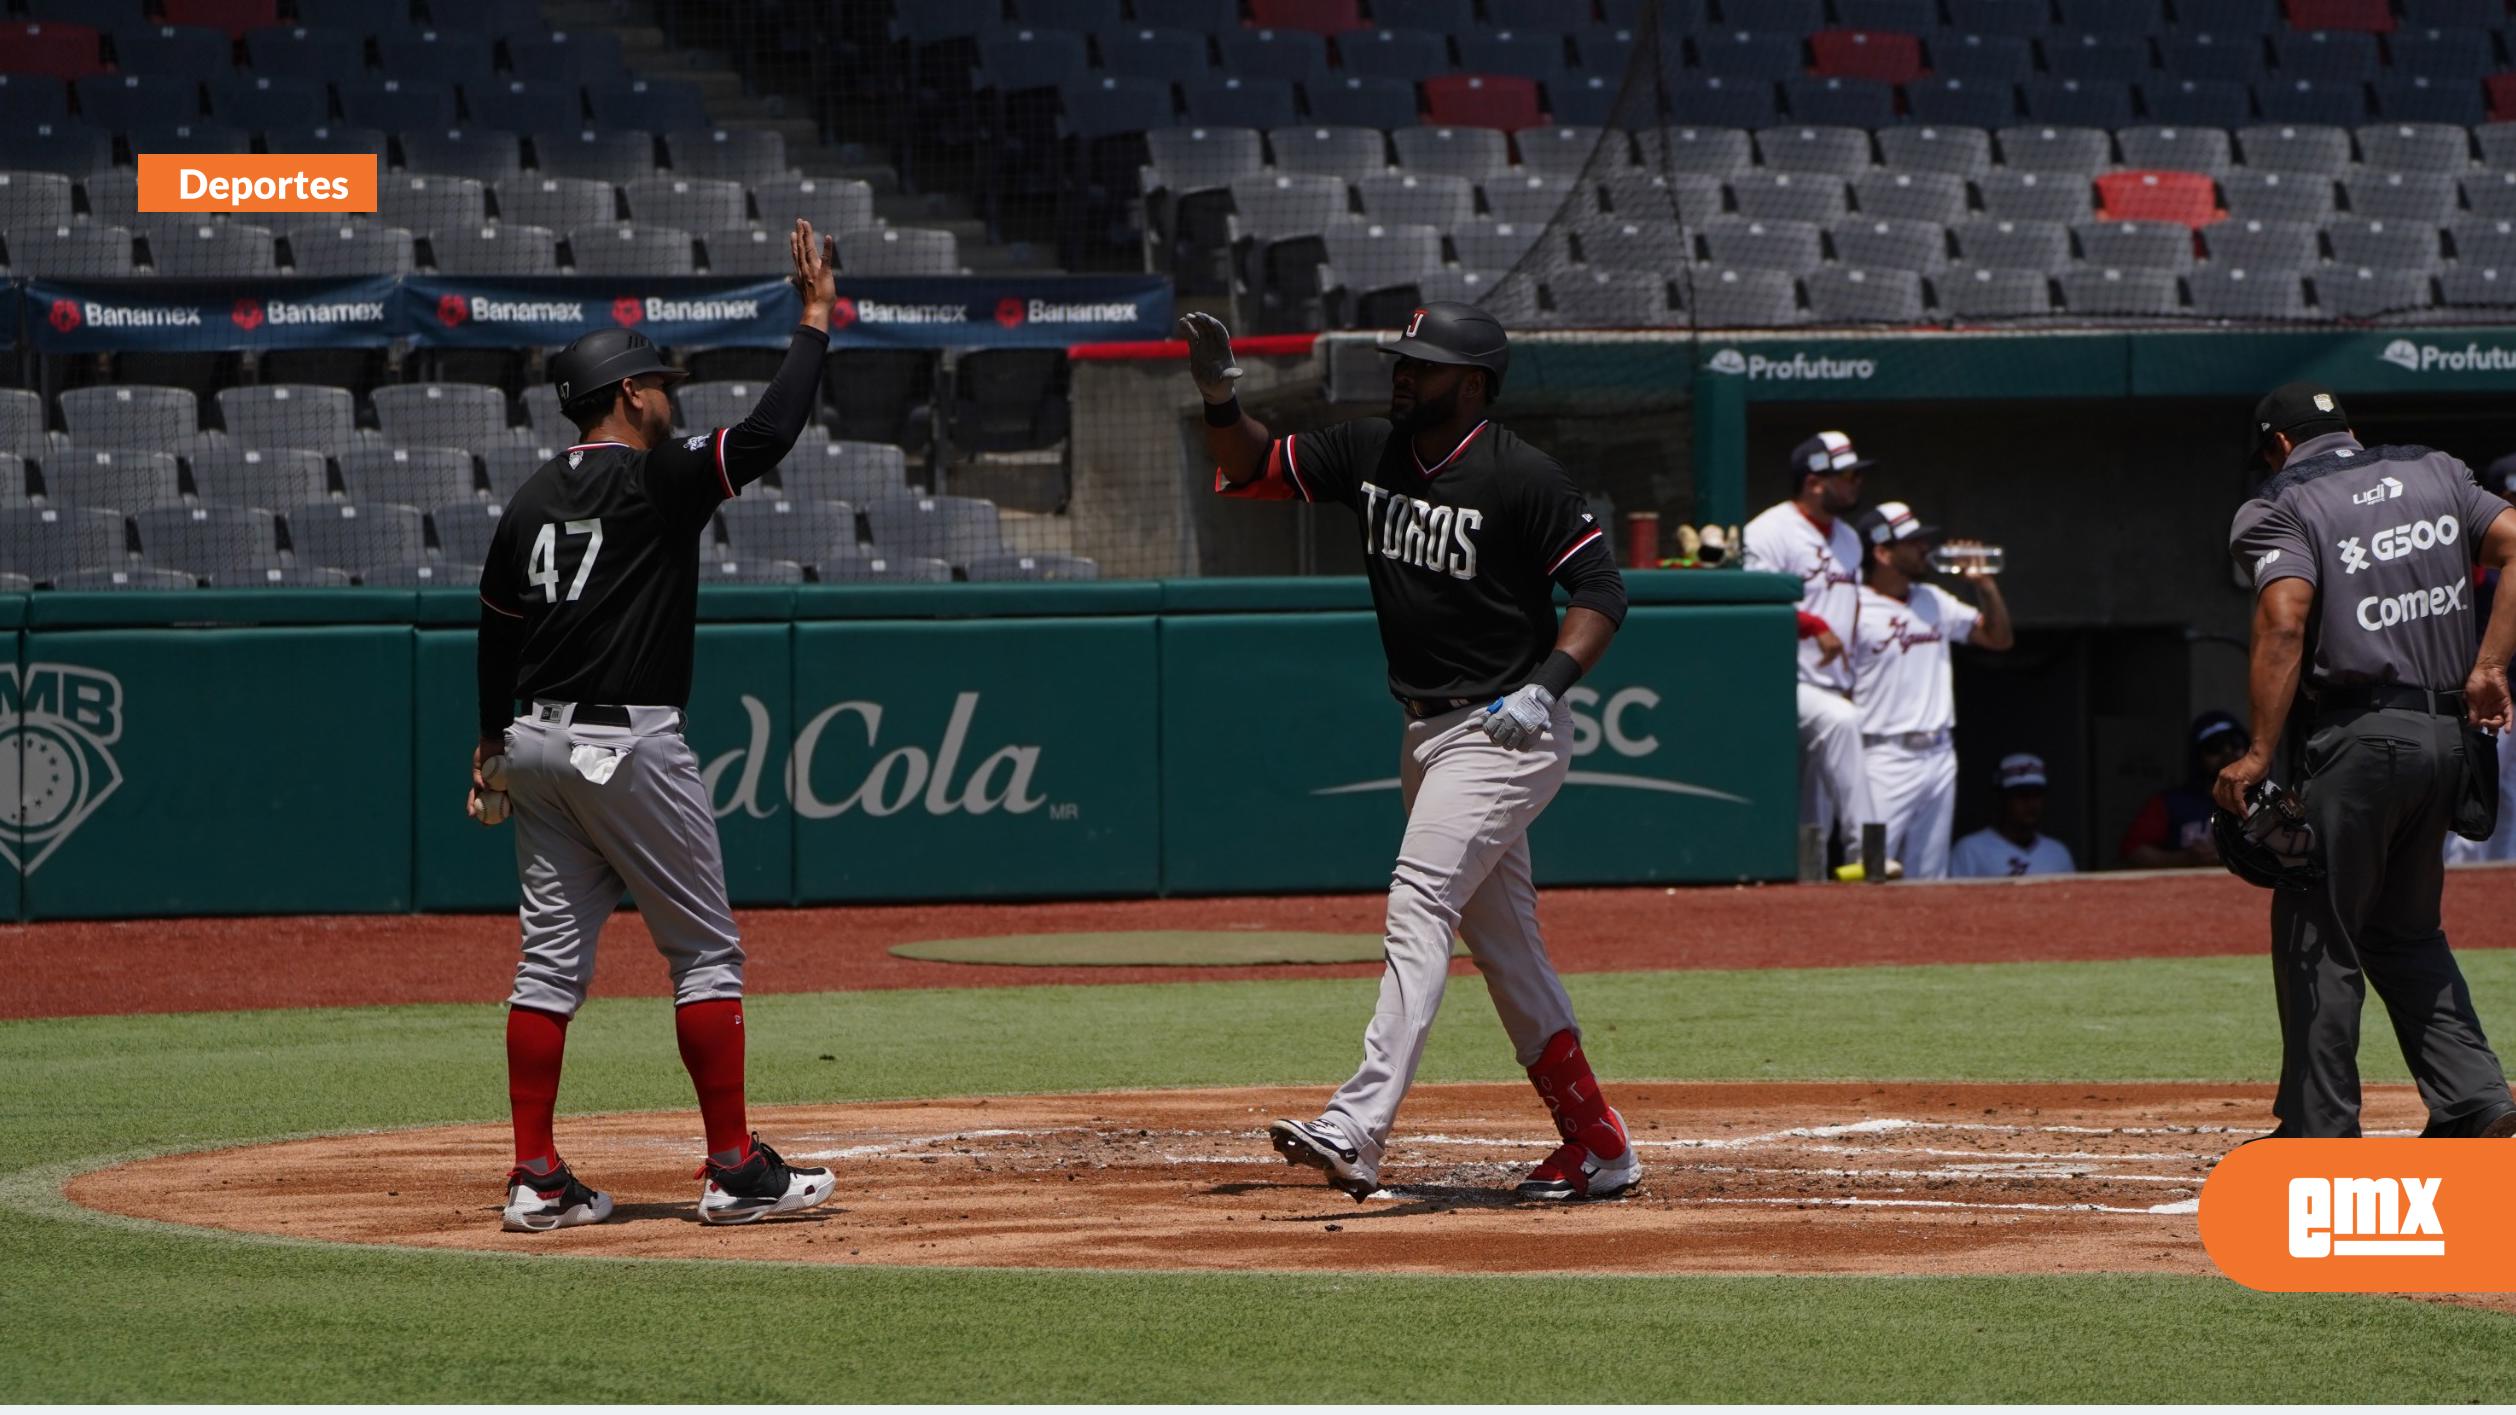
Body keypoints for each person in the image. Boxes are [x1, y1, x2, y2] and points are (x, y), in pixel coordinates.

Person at [1178, 302, 1642, 1202]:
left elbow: (1601, 588)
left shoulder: (1522, 475)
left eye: (1421, 365)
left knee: (1419, 897)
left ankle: (1357, 1125)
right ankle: (1598, 1143)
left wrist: (1546, 684)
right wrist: (1218, 395)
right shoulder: (1370, 450)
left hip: (1506, 726)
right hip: (1426, 732)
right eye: (1400, 359)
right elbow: (1253, 469)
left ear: (1471, 384)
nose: (1402, 372)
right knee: (1507, 950)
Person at [473, 219, 844, 1230]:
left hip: (536, 741)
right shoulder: (655, 475)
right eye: (659, 383)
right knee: (706, 953)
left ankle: (535, 1177)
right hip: (624, 740)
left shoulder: (530, 495)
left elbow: (495, 625)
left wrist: (487, 738)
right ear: (629, 394)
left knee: (547, 965)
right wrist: (813, 319)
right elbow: (767, 436)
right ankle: (732, 1166)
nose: (670, 395)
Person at [2219, 380, 2516, 1139]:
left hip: (2360, 740)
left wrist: (2256, 752)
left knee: (2322, 929)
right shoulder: (2437, 470)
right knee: (2406, 930)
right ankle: (2477, 1101)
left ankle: (2320, 1130)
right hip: (2447, 737)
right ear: (2349, 429)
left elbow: (2283, 621)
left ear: (2277, 446)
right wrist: (2489, 666)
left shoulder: (2280, 502)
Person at [1845, 501, 2013, 879]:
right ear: (1883, 552)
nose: (1924, 548)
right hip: (1882, 754)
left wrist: (1985, 584)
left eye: (1922, 540)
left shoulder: (1932, 599)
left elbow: (1998, 639)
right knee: (1871, 867)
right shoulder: (1852, 605)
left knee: (1929, 877)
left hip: (1938, 753)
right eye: (1912, 542)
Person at [1741, 432, 1877, 869]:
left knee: (1813, 803)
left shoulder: (1851, 539)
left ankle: (1810, 884)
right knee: (1841, 723)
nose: (1857, 482)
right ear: (1815, 481)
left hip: (1831, 683)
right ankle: (1869, 852)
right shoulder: (1769, 530)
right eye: (1848, 475)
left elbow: (1850, 613)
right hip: (1784, 680)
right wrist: (1813, 625)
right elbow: (1756, 600)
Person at [2446, 451, 2516, 864]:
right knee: (2475, 801)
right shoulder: (2480, 547)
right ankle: (2463, 892)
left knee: (2511, 801)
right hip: (2484, 693)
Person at [2118, 711, 2248, 869]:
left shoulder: (2265, 797)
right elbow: (2133, 851)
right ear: (2198, 756)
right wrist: (2182, 859)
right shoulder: (2170, 803)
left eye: (2235, 743)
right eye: (2215, 746)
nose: (2228, 753)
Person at [1950, 753, 2077, 878]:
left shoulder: (2058, 853)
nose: (2031, 803)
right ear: (2000, 798)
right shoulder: (1970, 850)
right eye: (2021, 795)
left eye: (2037, 794)